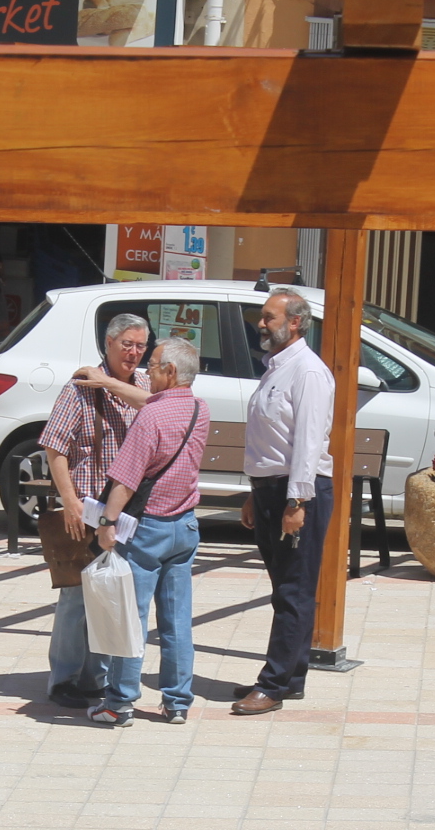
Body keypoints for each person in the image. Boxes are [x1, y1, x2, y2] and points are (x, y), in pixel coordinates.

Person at [88, 338, 210, 727]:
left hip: (148, 530)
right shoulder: (199, 409)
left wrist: (107, 523)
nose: (146, 371)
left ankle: (119, 702)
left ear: (170, 372)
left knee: (132, 617)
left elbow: (126, 479)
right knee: (177, 620)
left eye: (153, 366)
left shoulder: (151, 417)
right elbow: (157, 402)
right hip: (185, 526)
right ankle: (177, 702)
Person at [37, 313, 151, 707]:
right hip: (87, 509)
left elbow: (155, 406)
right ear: (108, 343)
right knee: (76, 598)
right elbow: (54, 447)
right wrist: (69, 501)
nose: (133, 353)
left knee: (111, 596)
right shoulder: (78, 389)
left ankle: (94, 678)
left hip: (128, 515)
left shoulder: (144, 385)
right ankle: (63, 679)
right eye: (127, 344)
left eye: (140, 346)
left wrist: (109, 383)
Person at [233, 287, 334, 716]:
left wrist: (297, 502)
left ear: (295, 322)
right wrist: (254, 493)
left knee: (294, 590)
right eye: (262, 317)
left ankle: (273, 685)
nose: (261, 324)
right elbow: (270, 440)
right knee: (285, 589)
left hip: (298, 492)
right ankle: (291, 677)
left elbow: (308, 442)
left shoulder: (308, 371)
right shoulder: (275, 367)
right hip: (270, 490)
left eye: (268, 317)